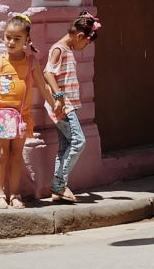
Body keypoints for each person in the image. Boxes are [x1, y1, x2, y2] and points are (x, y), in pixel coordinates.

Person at [0, 13, 63, 209]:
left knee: (17, 155)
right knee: (1, 154)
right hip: (1, 115)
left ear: (27, 40)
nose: (11, 42)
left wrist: (54, 104)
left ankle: (15, 194)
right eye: (8, 37)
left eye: (17, 38)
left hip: (20, 117)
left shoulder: (31, 62)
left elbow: (42, 87)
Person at [43, 11, 101, 203]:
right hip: (62, 106)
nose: (84, 47)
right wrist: (58, 97)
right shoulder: (59, 49)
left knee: (65, 146)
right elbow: (48, 73)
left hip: (67, 105)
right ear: (79, 36)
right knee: (78, 141)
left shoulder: (66, 50)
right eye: (85, 43)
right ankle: (59, 184)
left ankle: (58, 188)